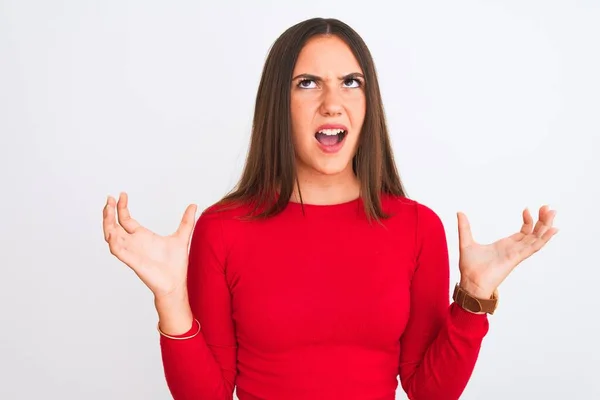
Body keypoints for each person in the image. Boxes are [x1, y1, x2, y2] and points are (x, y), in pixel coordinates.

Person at [102, 17, 558, 400]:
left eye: (350, 82)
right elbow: (208, 394)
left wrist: (474, 297)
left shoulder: (417, 227)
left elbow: (428, 390)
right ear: (279, 103)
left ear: (367, 101)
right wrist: (171, 299)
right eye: (307, 83)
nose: (331, 102)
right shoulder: (223, 229)